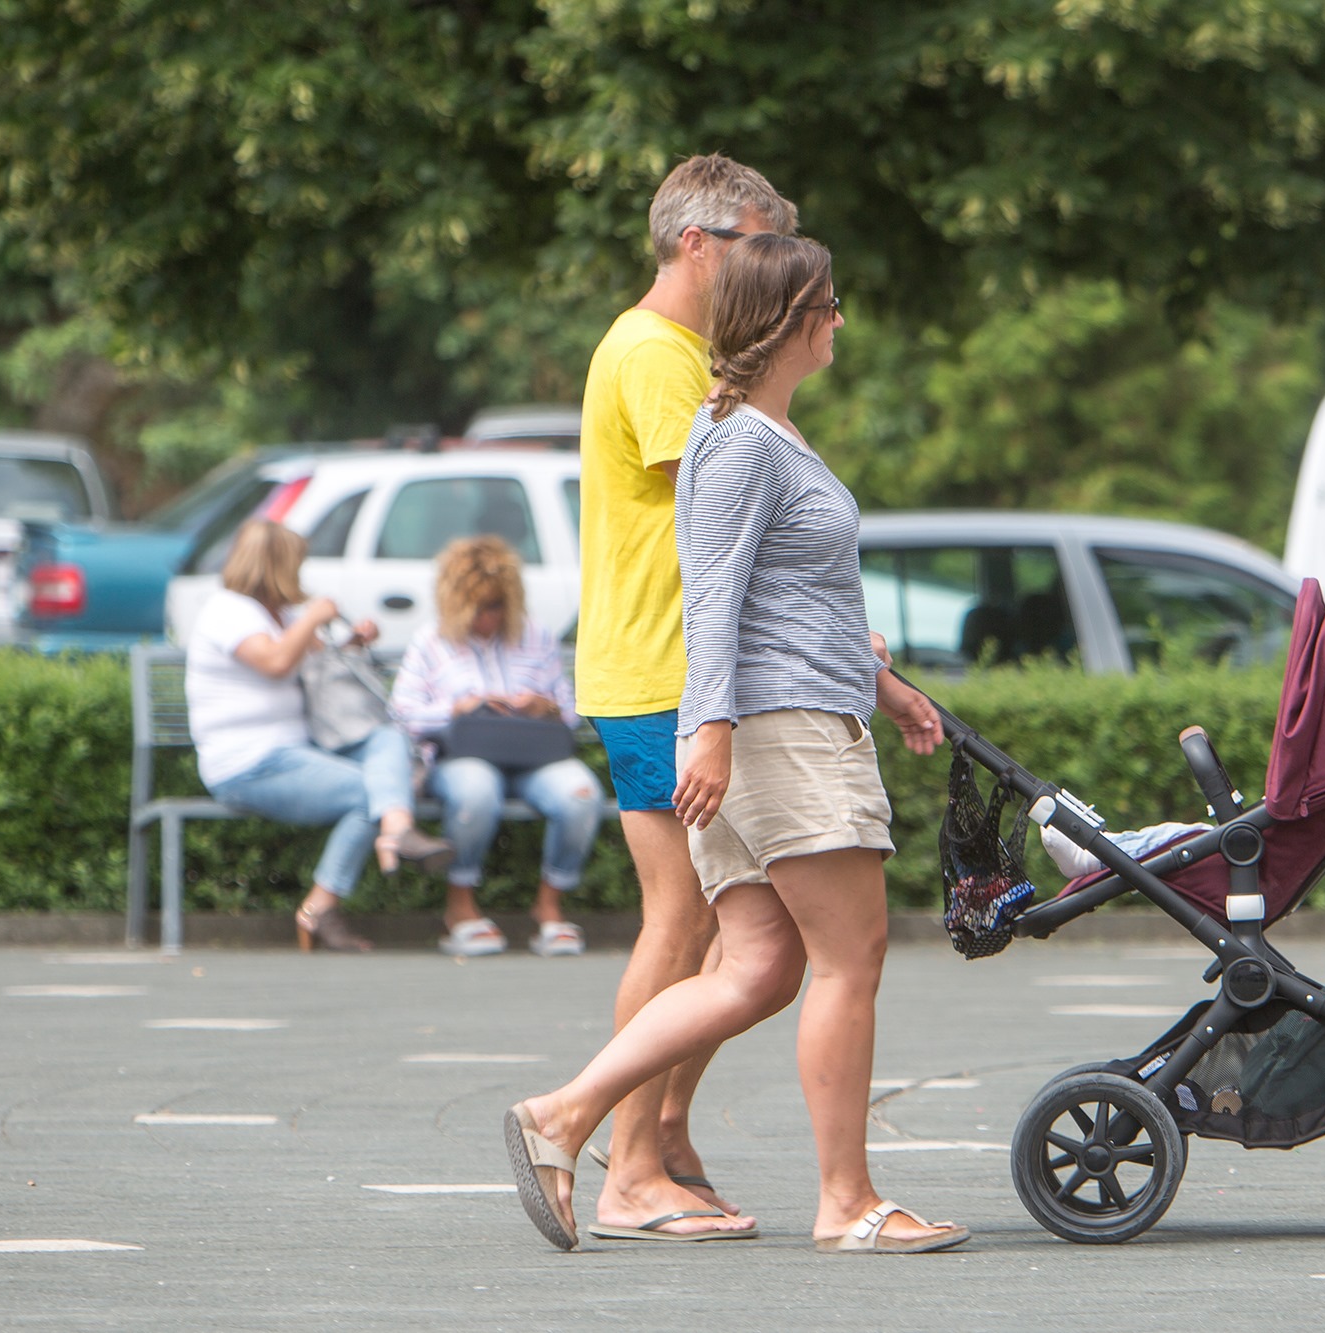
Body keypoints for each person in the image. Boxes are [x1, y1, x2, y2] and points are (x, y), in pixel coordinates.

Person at [504, 233, 965, 1254]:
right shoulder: (742, 441)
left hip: (776, 722)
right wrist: (708, 730)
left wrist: (885, 689)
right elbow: (710, 598)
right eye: (828, 303)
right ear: (791, 320)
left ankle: (563, 1115)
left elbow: (789, 599)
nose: (840, 319)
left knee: (757, 967)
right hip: (779, 734)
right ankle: (847, 1202)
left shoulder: (759, 432)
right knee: (849, 959)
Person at [570, 155, 797, 1228]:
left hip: (667, 667)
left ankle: (658, 1135)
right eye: (757, 243)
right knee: (683, 918)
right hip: (664, 670)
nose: (771, 266)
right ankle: (625, 1166)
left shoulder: (671, 350)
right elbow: (717, 513)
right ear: (696, 244)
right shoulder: (660, 356)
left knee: (719, 927)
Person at [184, 519, 451, 953]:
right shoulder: (227, 610)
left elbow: (322, 671)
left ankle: (396, 828)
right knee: (370, 792)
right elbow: (274, 662)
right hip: (249, 763)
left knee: (386, 739)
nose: (300, 575)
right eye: (296, 565)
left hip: (300, 750)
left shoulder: (281, 615)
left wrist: (353, 642)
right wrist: (311, 617)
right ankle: (320, 907)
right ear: (275, 566)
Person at [390, 536, 604, 958]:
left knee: (581, 794)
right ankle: (459, 907)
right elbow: (402, 713)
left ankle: (549, 905)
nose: (490, 617)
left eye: (498, 606)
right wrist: (459, 709)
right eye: (480, 607)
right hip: (462, 756)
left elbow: (569, 712)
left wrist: (542, 706)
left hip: (531, 755)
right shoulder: (431, 641)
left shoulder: (535, 635)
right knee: (476, 790)